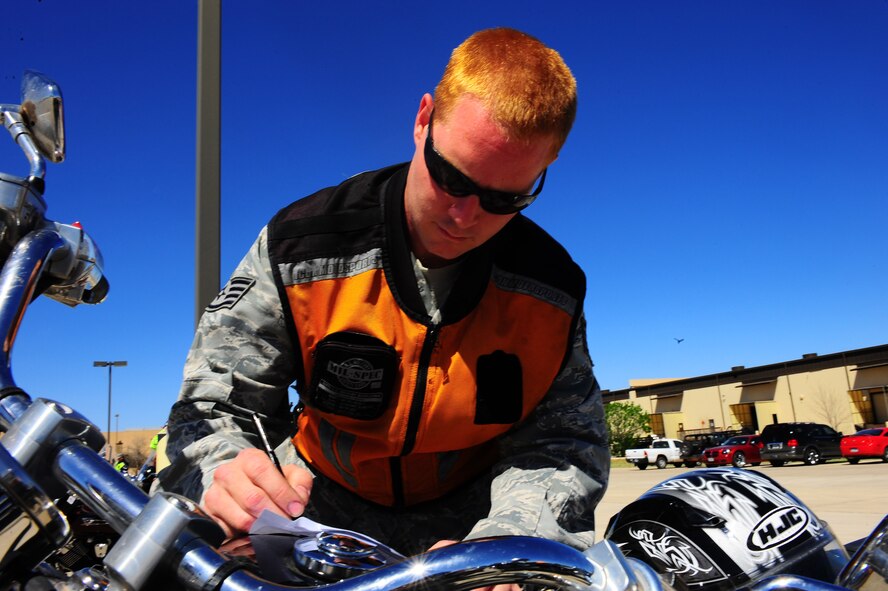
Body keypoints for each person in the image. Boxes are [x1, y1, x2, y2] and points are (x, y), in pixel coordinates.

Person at [157, 27, 610, 556]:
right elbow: (213, 405)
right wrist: (226, 473)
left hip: (468, 531)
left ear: (544, 170)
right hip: (310, 511)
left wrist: (512, 537)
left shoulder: (551, 287)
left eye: (505, 199)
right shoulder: (301, 245)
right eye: (452, 178)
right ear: (423, 121)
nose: (465, 217)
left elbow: (561, 445)